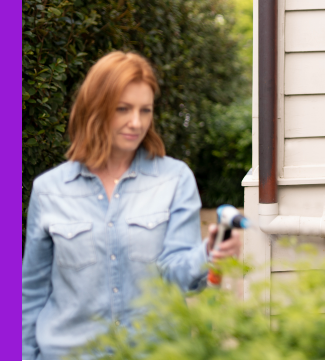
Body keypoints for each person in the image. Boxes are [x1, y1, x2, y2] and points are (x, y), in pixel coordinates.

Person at [21, 51, 241, 360]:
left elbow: (177, 273)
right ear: (95, 109)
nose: (136, 122)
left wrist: (207, 253)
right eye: (123, 109)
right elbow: (30, 294)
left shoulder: (174, 180)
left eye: (145, 110)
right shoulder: (49, 190)